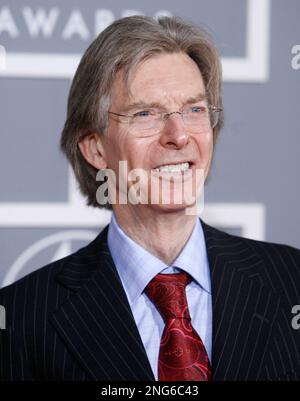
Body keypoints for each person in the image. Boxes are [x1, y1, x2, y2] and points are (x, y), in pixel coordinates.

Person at [1, 15, 300, 382]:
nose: (178, 135)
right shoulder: (18, 319)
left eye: (194, 110)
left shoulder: (292, 281)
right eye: (145, 114)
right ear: (95, 148)